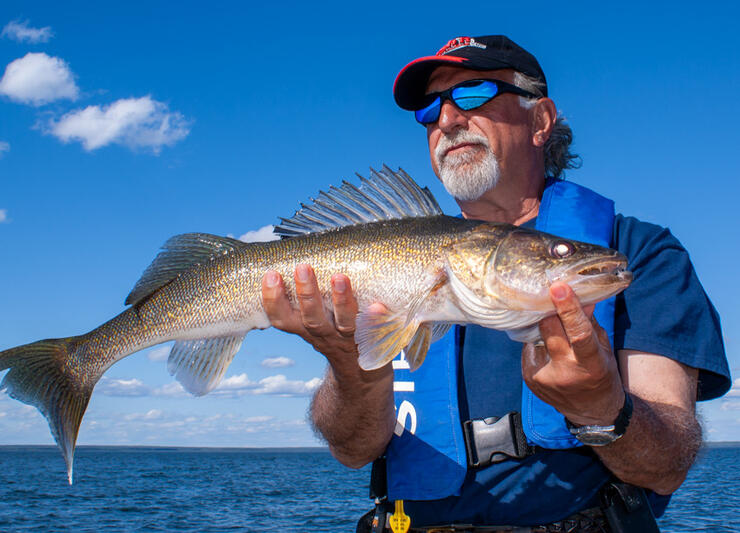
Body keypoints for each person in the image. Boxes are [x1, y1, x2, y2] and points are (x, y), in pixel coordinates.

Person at [261, 35, 731, 531]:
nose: (447, 119)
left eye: (472, 94)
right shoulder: (393, 266)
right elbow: (352, 450)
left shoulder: (639, 251)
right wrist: (350, 367)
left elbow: (668, 464)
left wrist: (602, 408)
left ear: (541, 120)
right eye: (429, 109)